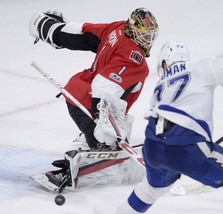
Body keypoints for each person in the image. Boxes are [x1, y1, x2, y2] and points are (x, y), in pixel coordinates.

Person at [116, 41, 223, 214]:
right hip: (186, 146)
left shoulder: (160, 85)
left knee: (150, 190)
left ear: (165, 62)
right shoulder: (201, 67)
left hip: (153, 147)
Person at [29, 8, 159, 191]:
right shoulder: (135, 59)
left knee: (112, 130)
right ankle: (89, 154)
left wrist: (52, 30)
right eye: (144, 36)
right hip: (87, 102)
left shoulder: (119, 29)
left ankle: (95, 137)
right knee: (105, 144)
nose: (148, 41)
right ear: (133, 30)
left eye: (150, 36)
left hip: (78, 91)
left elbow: (84, 34)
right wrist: (103, 123)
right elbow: (104, 86)